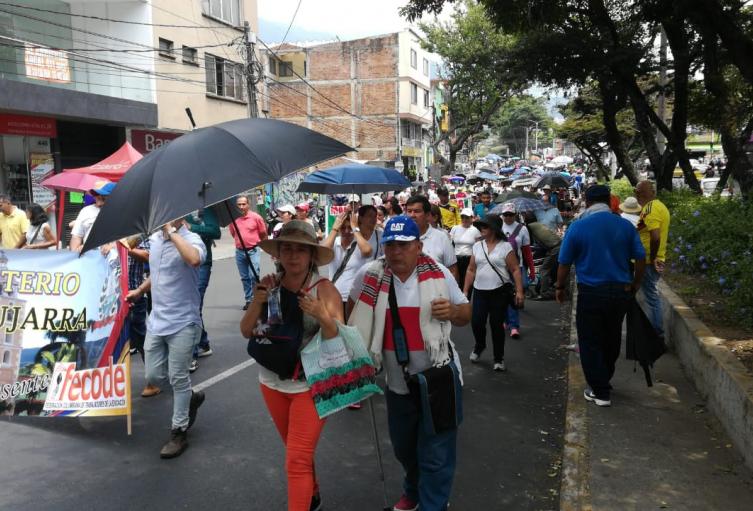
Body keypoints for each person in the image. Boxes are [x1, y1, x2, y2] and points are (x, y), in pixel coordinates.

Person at [347, 215, 471, 511]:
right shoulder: (369, 275)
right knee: (405, 449)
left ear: (418, 246)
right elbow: (354, 315)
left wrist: (452, 311)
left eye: (403, 245)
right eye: (390, 245)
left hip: (439, 379)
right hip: (397, 383)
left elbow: (466, 314)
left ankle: (433, 504)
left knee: (437, 453)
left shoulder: (439, 274)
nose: (395, 251)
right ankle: (413, 493)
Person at [240, 220, 342, 511]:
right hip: (271, 383)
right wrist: (257, 302)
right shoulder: (268, 286)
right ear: (278, 253)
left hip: (311, 385)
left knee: (296, 460)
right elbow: (247, 331)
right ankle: (313, 492)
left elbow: (339, 338)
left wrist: (321, 314)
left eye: (301, 250)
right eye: (287, 249)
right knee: (297, 451)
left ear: (311, 255)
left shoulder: (324, 289)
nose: (293, 255)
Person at [555, 185, 645, 407]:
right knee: (612, 337)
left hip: (592, 292)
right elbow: (641, 258)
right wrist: (635, 284)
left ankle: (600, 390)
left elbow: (564, 262)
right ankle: (604, 379)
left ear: (587, 201)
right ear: (610, 200)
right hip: (620, 291)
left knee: (590, 341)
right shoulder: (625, 226)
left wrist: (559, 287)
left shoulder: (578, 227)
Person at [126, 218, 207, 458]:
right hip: (157, 321)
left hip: (184, 321)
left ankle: (178, 432)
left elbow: (193, 259)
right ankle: (190, 398)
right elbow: (158, 273)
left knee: (178, 377)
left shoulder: (191, 239)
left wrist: (172, 232)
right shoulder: (154, 241)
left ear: (180, 216)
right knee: (153, 377)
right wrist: (140, 291)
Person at [463, 214, 525, 371]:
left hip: (499, 292)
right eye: (481, 226)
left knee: (496, 325)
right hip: (479, 291)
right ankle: (480, 345)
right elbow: (471, 270)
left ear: (494, 229)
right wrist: (465, 291)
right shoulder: (477, 246)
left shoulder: (505, 247)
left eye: (485, 226)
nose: (482, 229)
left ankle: (499, 358)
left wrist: (519, 291)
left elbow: (515, 269)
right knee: (477, 322)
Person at [322, 206, 381, 316]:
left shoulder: (359, 243)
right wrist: (334, 229)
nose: (346, 231)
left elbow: (368, 251)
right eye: (343, 228)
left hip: (354, 299)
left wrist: (355, 228)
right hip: (333, 297)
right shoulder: (335, 242)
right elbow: (323, 252)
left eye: (349, 228)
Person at [185, 208, 221, 371]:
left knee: (193, 306)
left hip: (202, 264)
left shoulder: (205, 211)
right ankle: (203, 343)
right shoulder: (179, 211)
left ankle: (190, 355)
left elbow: (215, 232)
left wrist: (193, 228)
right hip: (183, 264)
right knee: (191, 306)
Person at [635, 181, 670, 337]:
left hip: (648, 260)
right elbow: (643, 229)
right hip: (649, 258)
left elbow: (655, 236)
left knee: (651, 297)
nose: (637, 195)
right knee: (650, 296)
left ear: (646, 192)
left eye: (639, 192)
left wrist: (654, 257)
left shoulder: (651, 208)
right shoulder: (658, 206)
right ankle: (653, 331)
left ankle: (656, 333)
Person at [499, 203, 536, 339]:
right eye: (506, 215)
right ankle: (508, 321)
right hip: (501, 266)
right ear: (502, 215)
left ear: (515, 214)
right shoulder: (498, 227)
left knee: (515, 293)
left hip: (517, 266)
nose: (508, 217)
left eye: (511, 214)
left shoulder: (522, 229)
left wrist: (531, 269)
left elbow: (527, 252)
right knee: (503, 295)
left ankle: (514, 325)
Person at [405, 195, 458, 281]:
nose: (412, 215)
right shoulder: (400, 237)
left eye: (417, 211)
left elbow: (452, 270)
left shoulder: (442, 237)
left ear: (427, 215)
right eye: (409, 211)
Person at [229, 195, 268, 311]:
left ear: (248, 204)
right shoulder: (234, 219)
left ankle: (258, 299)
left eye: (243, 204)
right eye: (239, 205)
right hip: (240, 252)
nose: (241, 207)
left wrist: (265, 247)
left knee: (253, 275)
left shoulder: (256, 217)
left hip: (253, 250)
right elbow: (233, 234)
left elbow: (263, 233)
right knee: (245, 277)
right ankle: (248, 300)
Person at [69, 181, 115, 251]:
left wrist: (113, 245)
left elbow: (130, 239)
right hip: (90, 257)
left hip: (114, 258)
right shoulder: (86, 211)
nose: (98, 198)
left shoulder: (122, 211)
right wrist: (75, 251)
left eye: (103, 197)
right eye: (96, 194)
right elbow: (76, 236)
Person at [526, 220, 562, 300]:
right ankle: (549, 288)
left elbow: (532, 243)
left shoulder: (529, 227)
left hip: (554, 248)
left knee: (544, 269)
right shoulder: (537, 224)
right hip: (557, 244)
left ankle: (544, 292)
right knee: (550, 268)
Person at [449, 208, 480, 291]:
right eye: (463, 217)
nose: (464, 219)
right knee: (457, 280)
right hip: (456, 258)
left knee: (468, 280)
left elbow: (478, 246)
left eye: (467, 217)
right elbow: (450, 243)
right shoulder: (455, 228)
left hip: (469, 259)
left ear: (471, 218)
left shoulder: (475, 230)